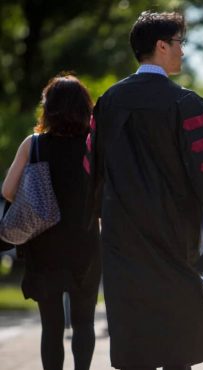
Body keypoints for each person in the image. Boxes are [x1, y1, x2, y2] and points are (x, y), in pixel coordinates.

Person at [83, 11, 203, 370]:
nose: (183, 52)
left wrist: (99, 215)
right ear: (161, 46)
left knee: (135, 334)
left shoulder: (108, 102)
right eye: (179, 43)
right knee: (179, 337)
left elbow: (90, 170)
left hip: (122, 239)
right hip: (172, 236)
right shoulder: (185, 103)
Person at [2, 74, 101, 370]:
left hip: (45, 248)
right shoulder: (93, 145)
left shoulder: (33, 145)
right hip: (86, 247)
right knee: (84, 323)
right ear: (86, 108)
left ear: (49, 108)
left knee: (52, 326)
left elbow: (7, 191)